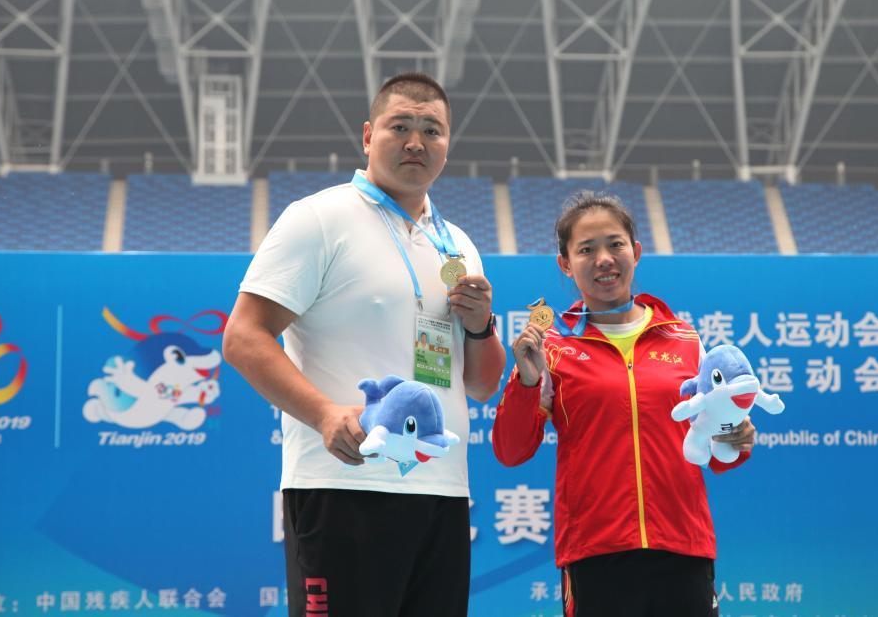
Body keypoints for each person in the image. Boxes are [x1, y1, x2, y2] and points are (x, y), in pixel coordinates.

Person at [223, 72, 505, 616]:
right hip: (343, 484)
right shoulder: (319, 218)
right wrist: (325, 414)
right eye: (401, 126)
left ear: (448, 144)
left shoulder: (458, 244)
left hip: (442, 491)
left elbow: (481, 385)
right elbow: (243, 336)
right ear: (369, 135)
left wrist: (479, 327)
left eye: (432, 130)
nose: (416, 142)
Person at [492, 192, 755, 617]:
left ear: (636, 251)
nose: (604, 259)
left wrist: (737, 437)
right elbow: (511, 450)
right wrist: (526, 381)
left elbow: (718, 451)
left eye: (615, 244)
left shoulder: (685, 340)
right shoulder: (552, 348)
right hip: (596, 551)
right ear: (565, 264)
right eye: (586, 249)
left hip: (682, 547)